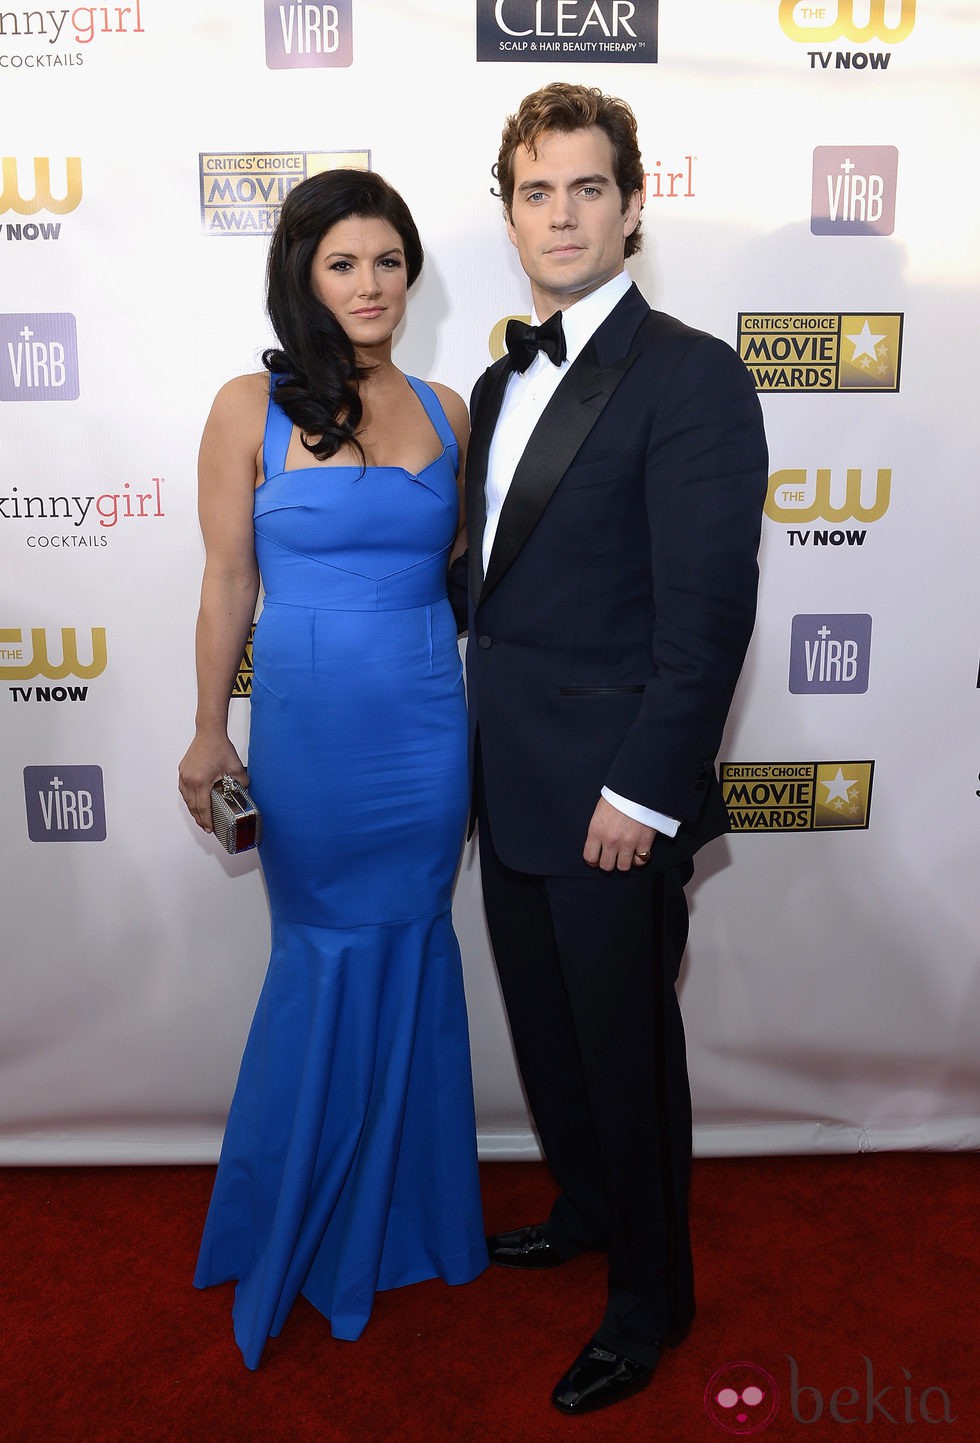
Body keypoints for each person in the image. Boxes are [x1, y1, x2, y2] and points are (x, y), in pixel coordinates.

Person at [460, 83, 768, 1415]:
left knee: (629, 1056)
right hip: (507, 777)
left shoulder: (692, 373)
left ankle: (653, 1297)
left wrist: (642, 787)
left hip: (610, 796)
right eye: (538, 190)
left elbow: (707, 612)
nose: (563, 212)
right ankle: (585, 1206)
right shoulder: (494, 374)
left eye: (589, 187)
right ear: (511, 212)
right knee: (552, 1034)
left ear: (634, 206)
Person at [177, 168, 487, 1370]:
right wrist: (210, 729)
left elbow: (461, 575)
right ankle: (298, 1218)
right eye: (342, 263)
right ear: (303, 276)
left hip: (423, 734)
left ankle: (402, 1217)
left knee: (413, 951)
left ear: (412, 273)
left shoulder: (450, 410)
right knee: (316, 957)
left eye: (389, 261)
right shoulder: (244, 407)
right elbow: (224, 584)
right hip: (307, 741)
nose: (370, 286)